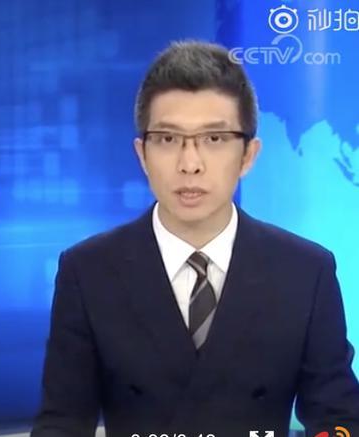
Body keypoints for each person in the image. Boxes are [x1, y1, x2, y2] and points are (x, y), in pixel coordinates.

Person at [31, 41, 359, 437]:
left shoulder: (305, 271)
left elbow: (338, 417)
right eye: (168, 139)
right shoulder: (88, 271)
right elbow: (62, 422)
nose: (190, 164)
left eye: (214, 139)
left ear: (248, 155)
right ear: (142, 154)